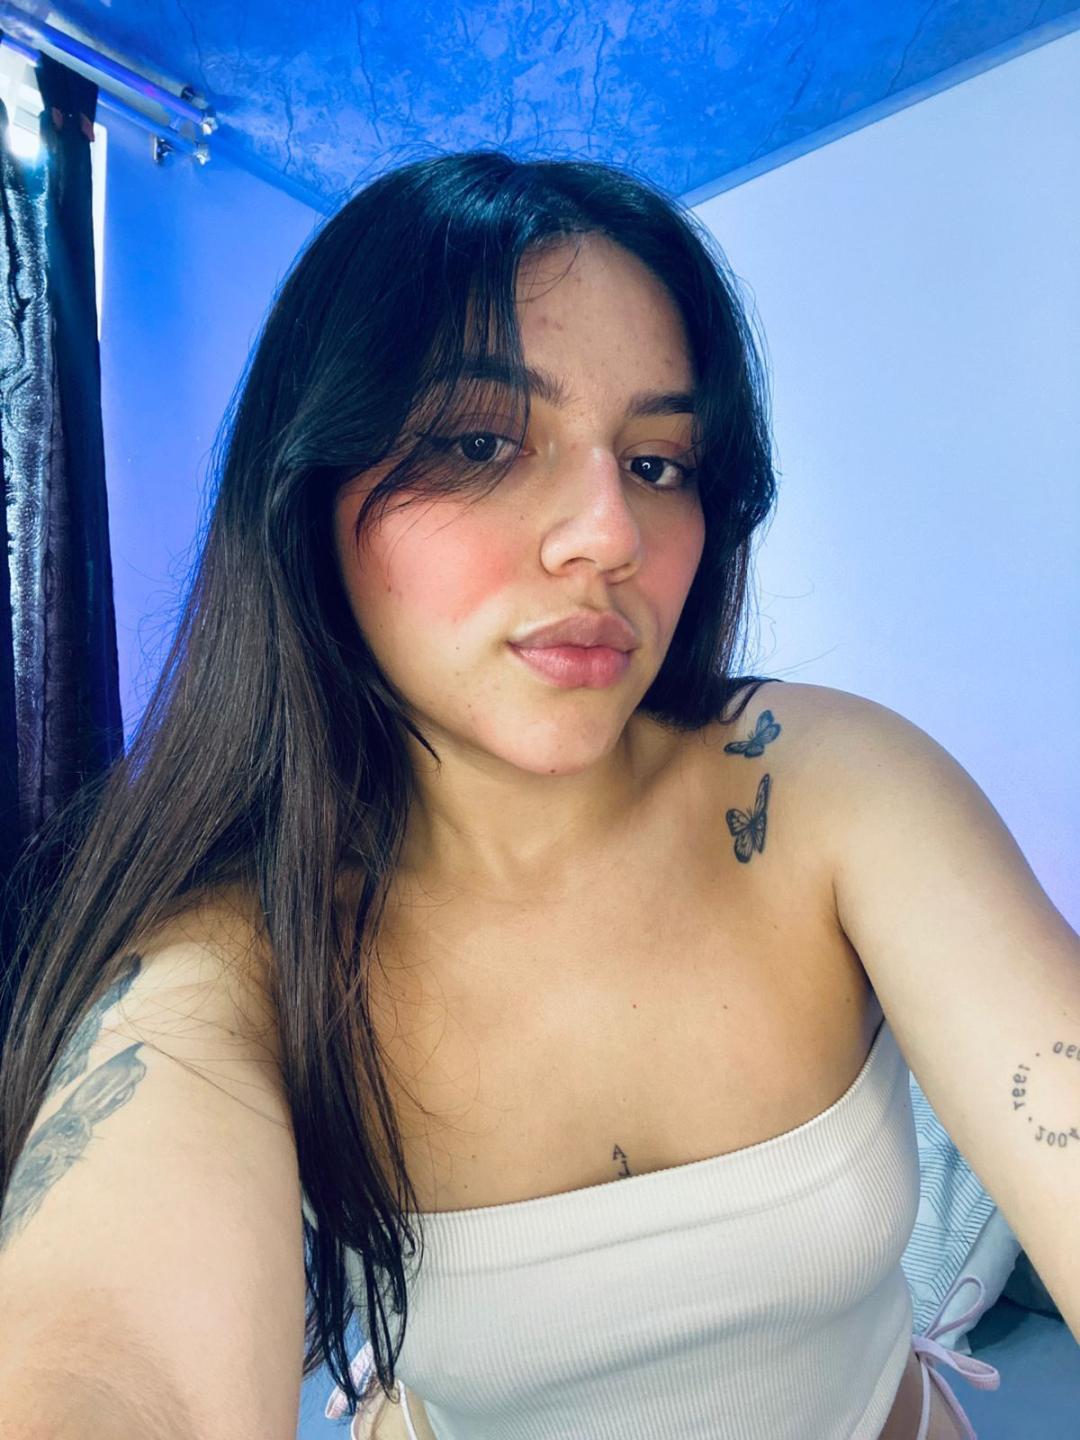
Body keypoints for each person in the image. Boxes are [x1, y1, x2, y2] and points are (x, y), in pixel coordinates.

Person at [9, 147, 1059, 1439]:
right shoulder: (239, 956)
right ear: (310, 493)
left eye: (660, 462)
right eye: (478, 443)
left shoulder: (824, 785)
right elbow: (113, 1356)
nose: (610, 534)